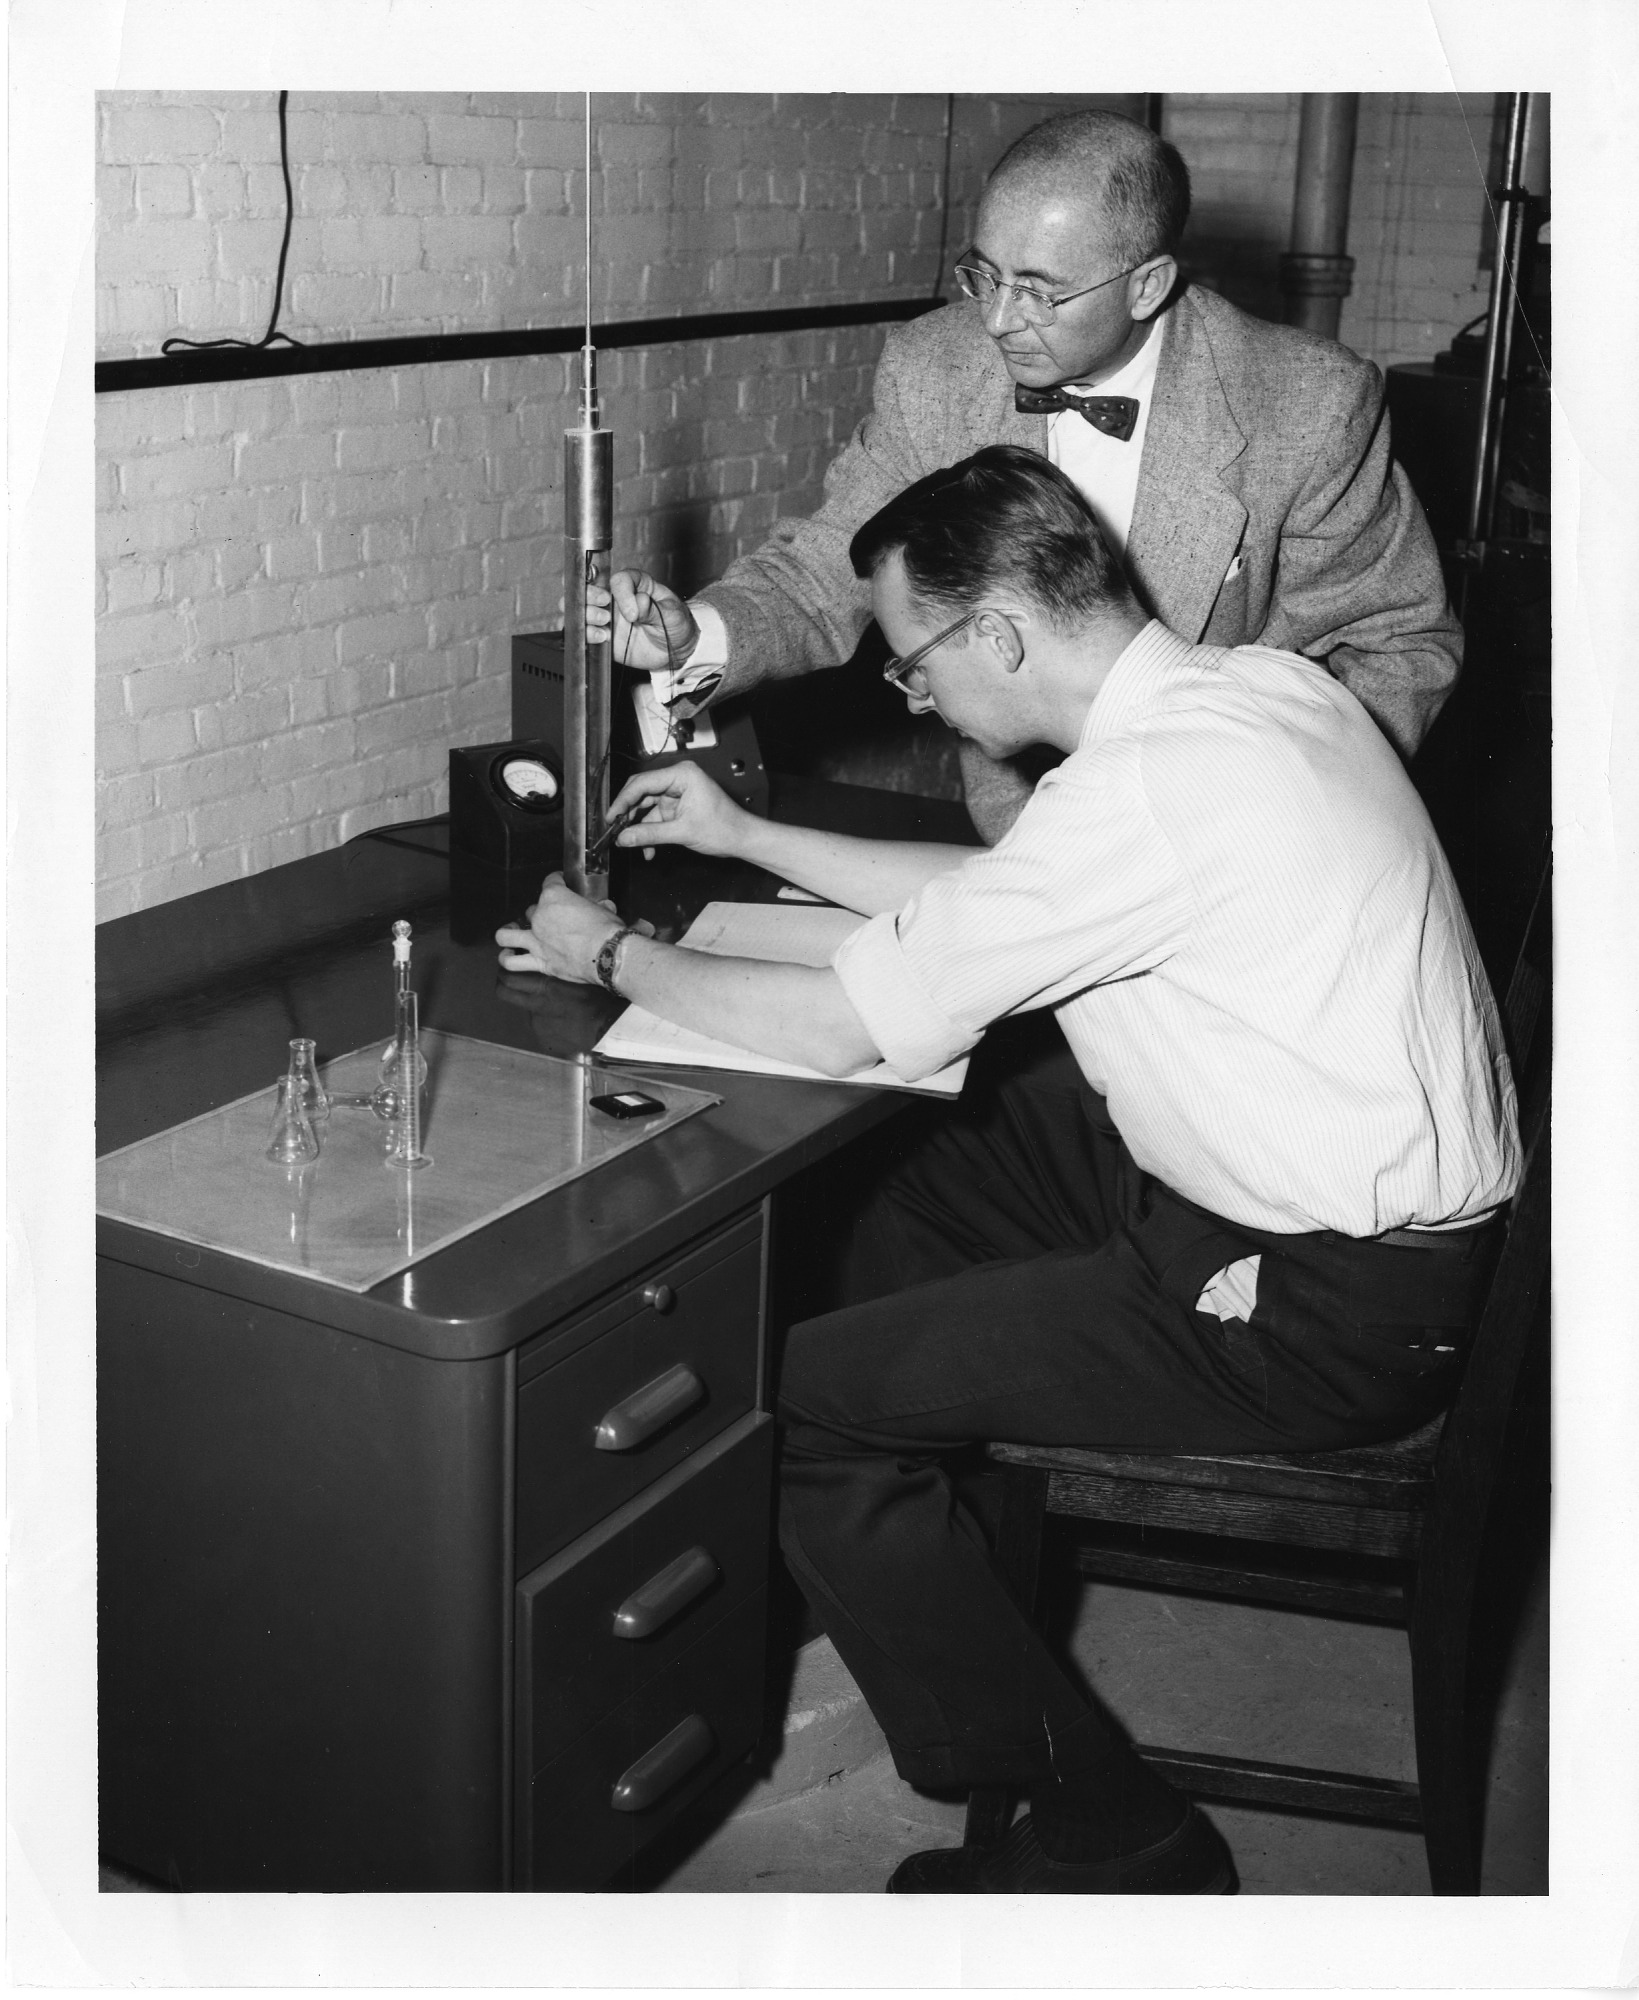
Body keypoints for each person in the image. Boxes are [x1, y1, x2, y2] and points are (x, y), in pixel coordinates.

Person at [498, 447, 1521, 1895]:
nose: (916, 699)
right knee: (939, 1164)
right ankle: (927, 1536)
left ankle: (1104, 1823)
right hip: (1332, 1230)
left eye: (913, 665)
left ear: (997, 633)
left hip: (1314, 1308)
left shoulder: (1147, 787)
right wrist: (740, 831)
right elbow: (1003, 897)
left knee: (801, 1400)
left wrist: (606, 952)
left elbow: (842, 1023)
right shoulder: (1255, 693)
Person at [587, 106, 1462, 841]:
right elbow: (830, 566)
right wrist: (695, 637)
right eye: (985, 274)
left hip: (1236, 831)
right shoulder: (936, 368)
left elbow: (1398, 645)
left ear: (1147, 284)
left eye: (1039, 290)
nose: (998, 320)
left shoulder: (1304, 403)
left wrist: (1263, 814)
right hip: (1027, 829)